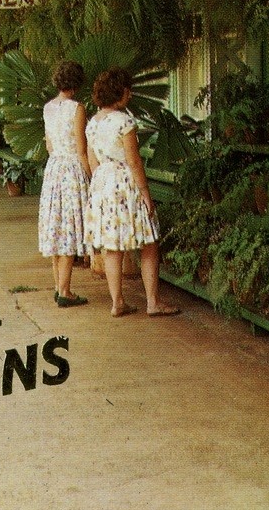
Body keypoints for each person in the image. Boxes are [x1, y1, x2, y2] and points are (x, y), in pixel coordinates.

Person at [85, 67, 180, 318]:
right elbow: (134, 161)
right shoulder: (125, 122)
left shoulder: (92, 124)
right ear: (122, 92)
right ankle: (153, 302)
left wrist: (101, 185)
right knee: (148, 241)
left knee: (112, 246)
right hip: (125, 182)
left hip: (103, 182)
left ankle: (117, 302)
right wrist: (146, 193)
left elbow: (92, 160)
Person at [38, 61, 92, 307]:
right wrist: (91, 175)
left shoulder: (48, 108)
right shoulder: (77, 109)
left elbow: (49, 144)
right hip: (71, 169)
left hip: (54, 168)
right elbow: (82, 148)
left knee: (55, 226)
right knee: (69, 226)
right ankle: (65, 291)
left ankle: (59, 285)